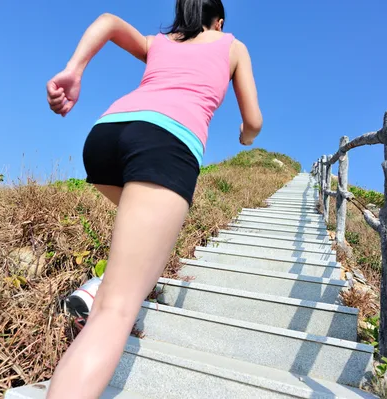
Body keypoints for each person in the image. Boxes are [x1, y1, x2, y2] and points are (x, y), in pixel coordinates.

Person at [45, 0, 262, 397]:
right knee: (116, 312)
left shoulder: (160, 42)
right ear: (219, 20)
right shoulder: (232, 44)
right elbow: (253, 121)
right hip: (166, 143)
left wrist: (73, 71)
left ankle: (100, 284)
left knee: (141, 242)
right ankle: (105, 294)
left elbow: (108, 21)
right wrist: (246, 138)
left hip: (106, 136)